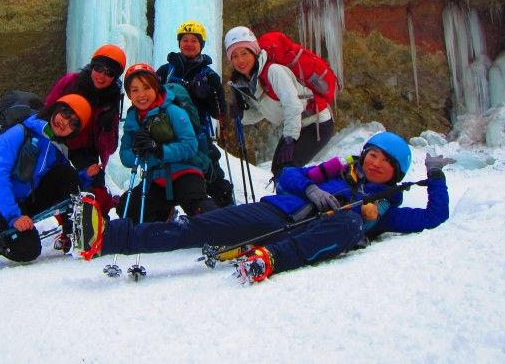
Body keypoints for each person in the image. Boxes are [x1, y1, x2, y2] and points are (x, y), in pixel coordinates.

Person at [73, 131, 450, 284]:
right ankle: (107, 238)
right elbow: (289, 175)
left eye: (386, 161)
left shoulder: (383, 208)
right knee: (196, 227)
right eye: (373, 154)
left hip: (312, 233)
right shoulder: (336, 171)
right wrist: (313, 191)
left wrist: (435, 178)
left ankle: (270, 258)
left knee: (351, 225)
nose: (375, 162)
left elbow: (434, 217)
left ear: (396, 172)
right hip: (274, 213)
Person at [0, 94, 92, 267]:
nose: (65, 123)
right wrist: (13, 217)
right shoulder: (18, 133)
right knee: (28, 250)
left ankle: (71, 233)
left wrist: (86, 176)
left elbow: (67, 180)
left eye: (73, 124)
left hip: (24, 200)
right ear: (56, 109)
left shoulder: (53, 145)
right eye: (65, 114)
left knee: (66, 172)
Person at [224, 26, 334, 184]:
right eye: (234, 56)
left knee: (285, 170)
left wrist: (290, 139)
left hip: (316, 123)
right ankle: (305, 196)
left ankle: (315, 195)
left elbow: (293, 106)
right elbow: (263, 111)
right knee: (279, 170)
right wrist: (242, 115)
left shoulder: (273, 72)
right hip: (299, 125)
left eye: (244, 53)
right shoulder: (252, 81)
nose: (240, 60)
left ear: (254, 52)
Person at [116, 63, 219, 223]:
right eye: (135, 90)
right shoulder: (133, 119)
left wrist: (159, 150)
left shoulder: (172, 110)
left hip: (185, 171)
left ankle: (222, 229)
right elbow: (125, 156)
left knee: (199, 207)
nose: (141, 94)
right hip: (156, 178)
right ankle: (165, 215)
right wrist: (139, 151)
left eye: (146, 87)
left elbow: (190, 145)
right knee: (127, 209)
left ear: (156, 87)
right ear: (129, 94)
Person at [156, 21, 234, 207]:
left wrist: (210, 93)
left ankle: (227, 213)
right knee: (162, 177)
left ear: (201, 45)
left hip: (198, 136)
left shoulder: (209, 75)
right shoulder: (165, 71)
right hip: (167, 135)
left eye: (194, 40)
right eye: (185, 39)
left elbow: (219, 112)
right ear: (179, 43)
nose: (189, 43)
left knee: (212, 176)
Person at [44, 44, 126, 217]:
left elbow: (110, 146)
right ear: (91, 67)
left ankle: (97, 223)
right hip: (57, 141)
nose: (102, 76)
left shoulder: (112, 99)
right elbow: (47, 111)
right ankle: (67, 224)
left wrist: (106, 128)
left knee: (95, 190)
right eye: (98, 68)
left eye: (109, 73)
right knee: (57, 184)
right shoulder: (71, 82)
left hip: (85, 150)